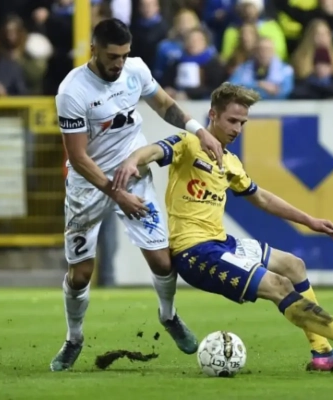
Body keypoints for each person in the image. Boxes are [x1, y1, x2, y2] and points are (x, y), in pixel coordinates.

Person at [113, 82, 333, 372]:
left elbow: (261, 198)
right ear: (212, 115)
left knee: (294, 266)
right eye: (232, 121)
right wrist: (132, 161)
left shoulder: (230, 162)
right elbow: (153, 151)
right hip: (195, 251)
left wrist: (309, 220)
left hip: (221, 243)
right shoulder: (189, 143)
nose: (237, 129)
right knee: (279, 285)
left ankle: (323, 354)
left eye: (243, 123)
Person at [52, 18, 224, 372]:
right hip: (88, 186)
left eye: (124, 55)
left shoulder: (136, 69)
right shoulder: (72, 91)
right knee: (81, 274)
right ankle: (74, 338)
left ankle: (169, 315)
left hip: (132, 176)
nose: (119, 63)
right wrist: (117, 195)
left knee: (163, 262)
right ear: (94, 50)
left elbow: (164, 104)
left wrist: (199, 130)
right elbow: (78, 158)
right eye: (112, 56)